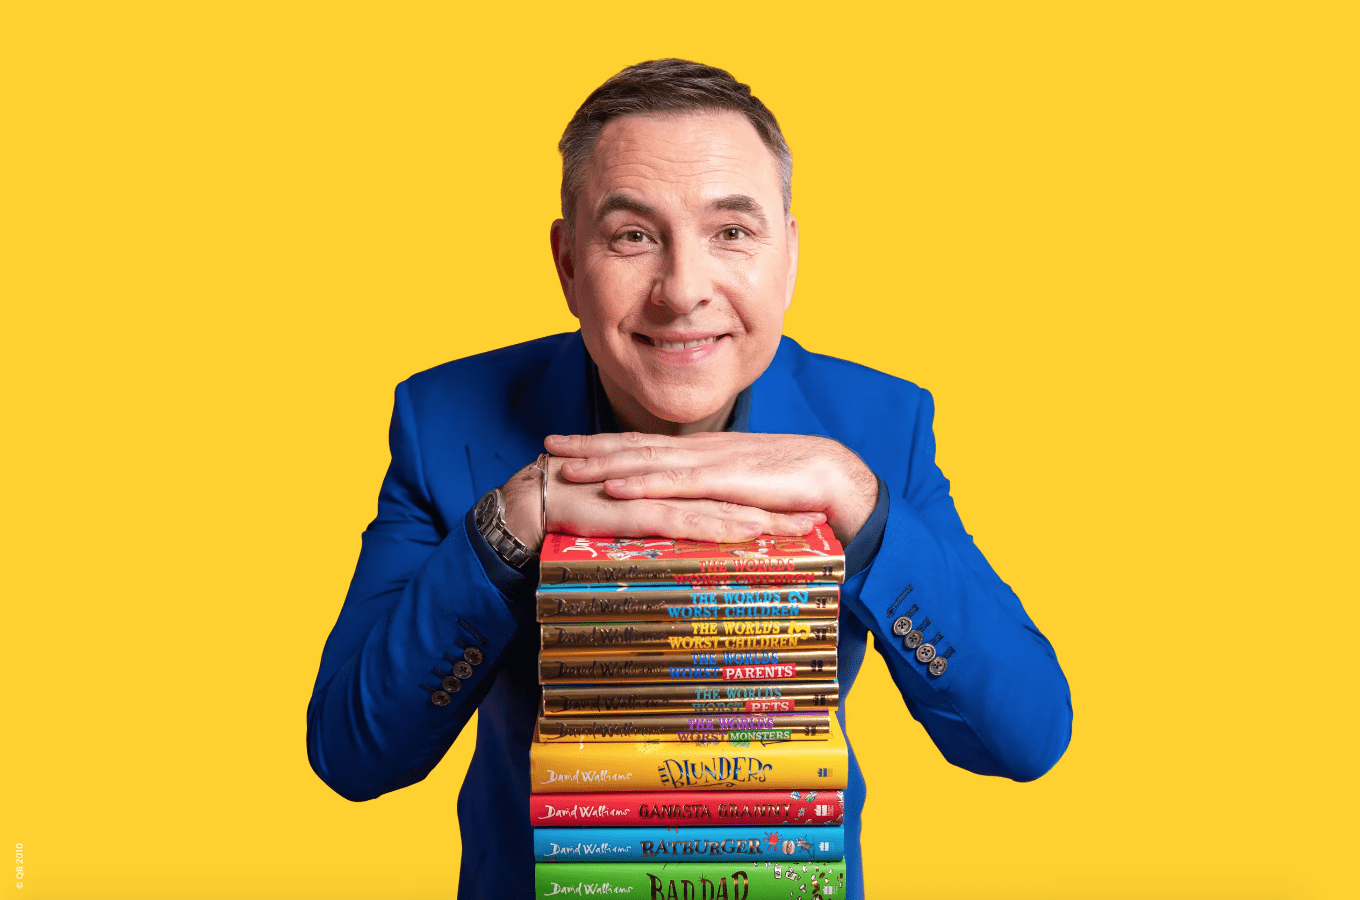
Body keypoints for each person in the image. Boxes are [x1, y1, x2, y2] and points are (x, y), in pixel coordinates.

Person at [307, 59, 1072, 900]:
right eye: (633, 236)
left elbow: (1026, 737)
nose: (683, 292)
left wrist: (857, 500)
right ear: (568, 263)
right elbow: (354, 753)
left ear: (788, 257)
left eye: (732, 233)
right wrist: (506, 527)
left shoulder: (879, 429)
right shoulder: (444, 423)